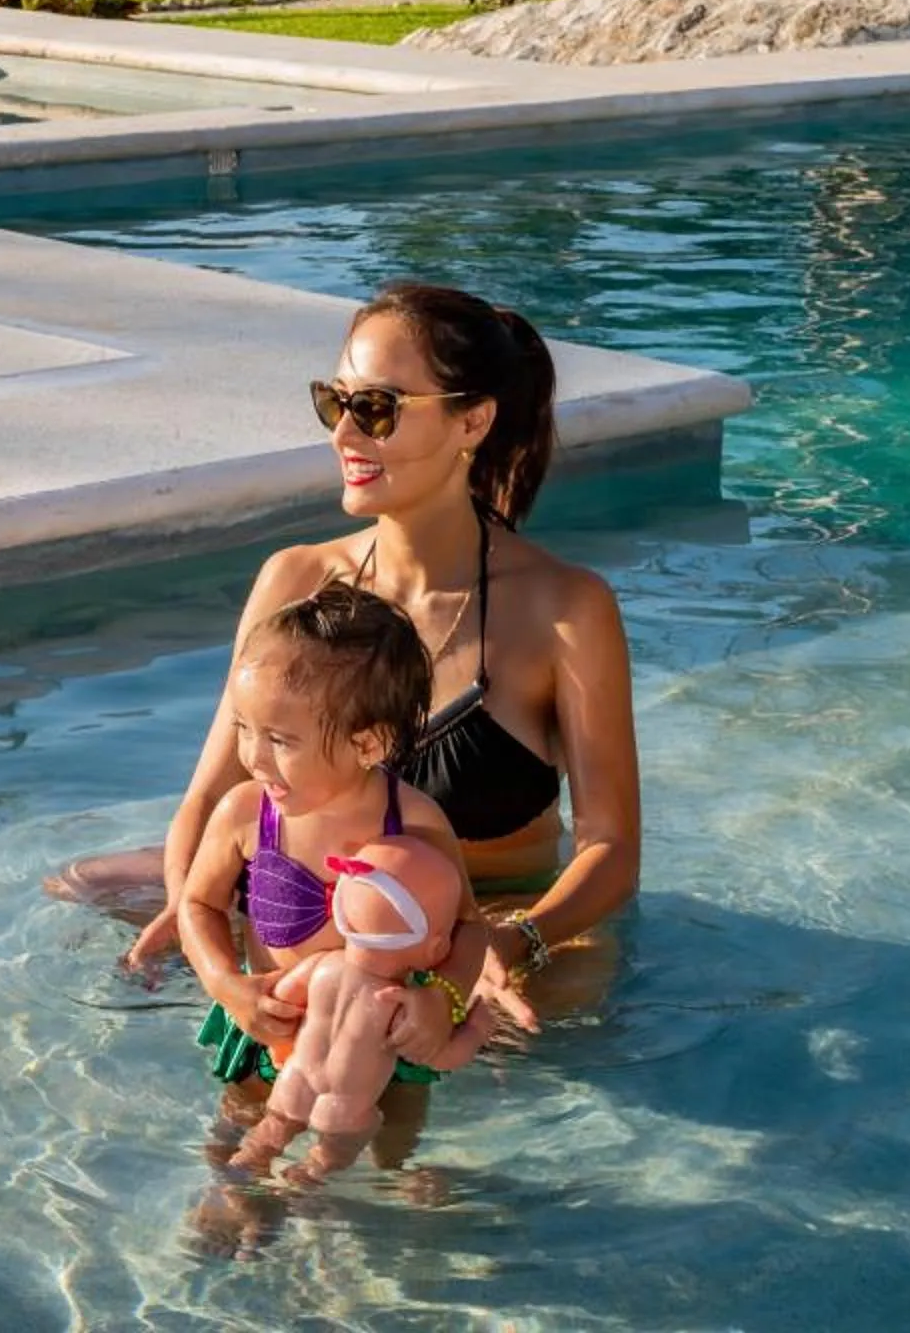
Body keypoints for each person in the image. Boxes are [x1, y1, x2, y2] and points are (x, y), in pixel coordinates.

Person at [67, 279, 642, 1053]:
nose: (343, 433)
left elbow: (611, 849)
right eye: (333, 403)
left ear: (473, 420)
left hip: (481, 918)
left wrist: (513, 942)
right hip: (309, 902)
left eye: (375, 408)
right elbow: (212, 793)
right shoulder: (297, 580)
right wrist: (190, 913)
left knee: (503, 1040)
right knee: (84, 884)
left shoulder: (563, 609)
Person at [173, 583, 481, 1177]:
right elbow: (199, 904)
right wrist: (226, 984)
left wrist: (442, 1001)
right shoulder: (246, 811)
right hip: (271, 1030)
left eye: (279, 740)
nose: (253, 756)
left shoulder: (414, 820)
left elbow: (469, 927)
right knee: (236, 1154)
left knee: (395, 1159)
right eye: (243, 728)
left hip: (382, 1045)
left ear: (369, 742)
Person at [224, 831, 486, 1181]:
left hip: (293, 1082)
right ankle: (303, 1182)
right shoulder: (395, 1002)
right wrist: (475, 1030)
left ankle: (245, 1169)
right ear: (436, 948)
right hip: (344, 1109)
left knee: (269, 1133)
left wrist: (282, 1045)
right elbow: (436, 1056)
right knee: (328, 1158)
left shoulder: (321, 966)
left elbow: (281, 998)